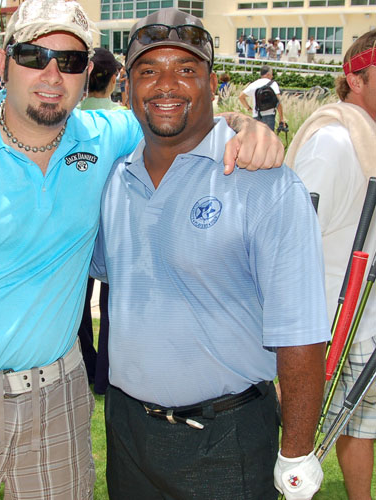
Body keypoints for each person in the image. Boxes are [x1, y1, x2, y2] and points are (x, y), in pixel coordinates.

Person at [0, 0, 284, 498]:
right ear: (5, 62)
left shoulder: (106, 135)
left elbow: (183, 114)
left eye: (69, 61)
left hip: (58, 395)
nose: (52, 74)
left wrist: (245, 127)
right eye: (35, 56)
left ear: (87, 72)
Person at [90, 8, 330, 500]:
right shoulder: (115, 180)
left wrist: (298, 450)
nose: (166, 84)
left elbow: (301, 335)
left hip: (227, 440)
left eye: (186, 69)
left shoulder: (267, 185)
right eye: (149, 71)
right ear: (128, 87)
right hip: (128, 432)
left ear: (213, 82)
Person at [286, 29, 376, 500]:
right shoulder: (335, 141)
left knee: (360, 428)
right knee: (299, 442)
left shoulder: (370, 138)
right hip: (318, 326)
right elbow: (291, 242)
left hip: (364, 320)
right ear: (355, 78)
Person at [77, 47, 125, 395]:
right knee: (110, 303)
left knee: (77, 304)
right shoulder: (124, 120)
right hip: (112, 226)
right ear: (112, 79)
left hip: (78, 225)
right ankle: (105, 375)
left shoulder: (72, 119)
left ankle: (83, 364)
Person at [239, 64, 285, 131]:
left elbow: (241, 97)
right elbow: (278, 102)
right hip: (269, 115)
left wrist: (249, 109)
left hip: (256, 115)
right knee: (268, 139)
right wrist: (281, 118)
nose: (272, 76)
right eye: (272, 74)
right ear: (268, 74)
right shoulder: (273, 84)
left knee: (257, 140)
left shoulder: (254, 84)